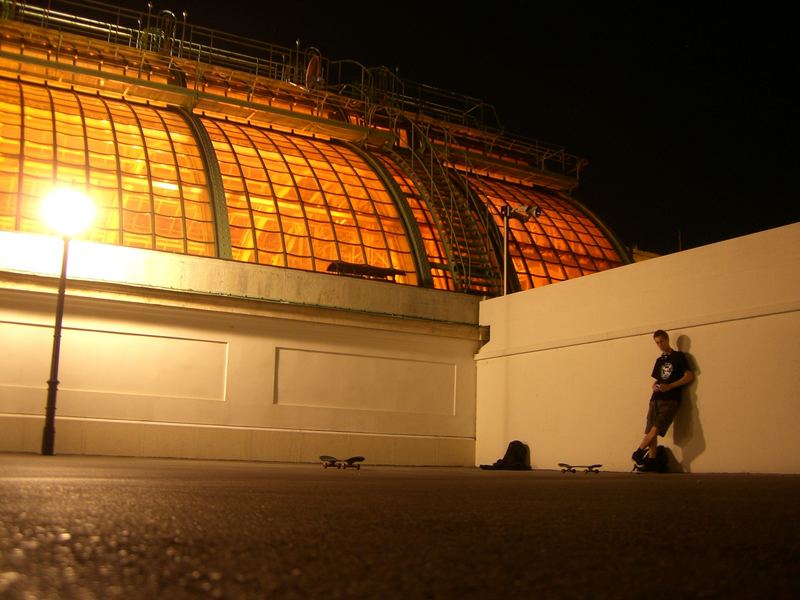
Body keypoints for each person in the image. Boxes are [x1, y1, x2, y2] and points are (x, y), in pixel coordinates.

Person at [632, 329, 694, 470]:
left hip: (671, 398)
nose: (660, 345)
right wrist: (654, 386)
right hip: (656, 398)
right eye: (657, 343)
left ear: (667, 340)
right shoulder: (659, 360)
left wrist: (671, 386)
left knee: (657, 427)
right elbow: (657, 379)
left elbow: (689, 376)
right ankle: (652, 461)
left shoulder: (679, 357)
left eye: (662, 341)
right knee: (650, 430)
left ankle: (639, 451)